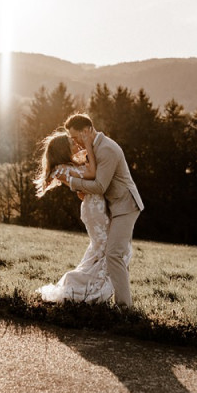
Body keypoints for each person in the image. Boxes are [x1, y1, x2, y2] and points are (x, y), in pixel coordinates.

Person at [58, 113, 143, 308]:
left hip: (125, 206)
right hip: (113, 206)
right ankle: (116, 300)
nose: (75, 142)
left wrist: (72, 182)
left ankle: (124, 309)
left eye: (76, 137)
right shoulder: (93, 148)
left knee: (113, 254)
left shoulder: (107, 149)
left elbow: (100, 186)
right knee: (117, 254)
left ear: (87, 130)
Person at [33, 130, 127, 304]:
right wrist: (89, 147)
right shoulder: (61, 169)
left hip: (97, 206)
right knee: (107, 248)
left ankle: (89, 287)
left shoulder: (69, 166)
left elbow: (85, 185)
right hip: (94, 210)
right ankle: (84, 289)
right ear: (63, 149)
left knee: (104, 248)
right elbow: (92, 173)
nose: (76, 145)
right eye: (72, 143)